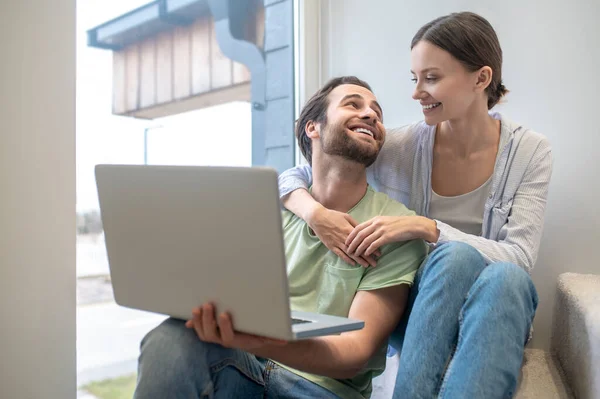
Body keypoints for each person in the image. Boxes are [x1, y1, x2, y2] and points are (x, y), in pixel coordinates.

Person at [278, 12, 553, 399]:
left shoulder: (530, 152)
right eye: (415, 78)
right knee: (455, 259)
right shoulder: (400, 144)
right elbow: (298, 172)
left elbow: (520, 258)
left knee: (505, 277)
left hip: (493, 306)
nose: (416, 92)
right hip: (420, 309)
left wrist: (428, 228)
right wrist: (316, 214)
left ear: (481, 78)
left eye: (432, 78)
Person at [133, 76, 428, 399]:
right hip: (249, 370)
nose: (371, 114)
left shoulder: (395, 227)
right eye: (353, 104)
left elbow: (355, 352)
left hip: (317, 389)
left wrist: (259, 341)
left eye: (377, 112)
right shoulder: (270, 209)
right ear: (312, 128)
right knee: (170, 339)